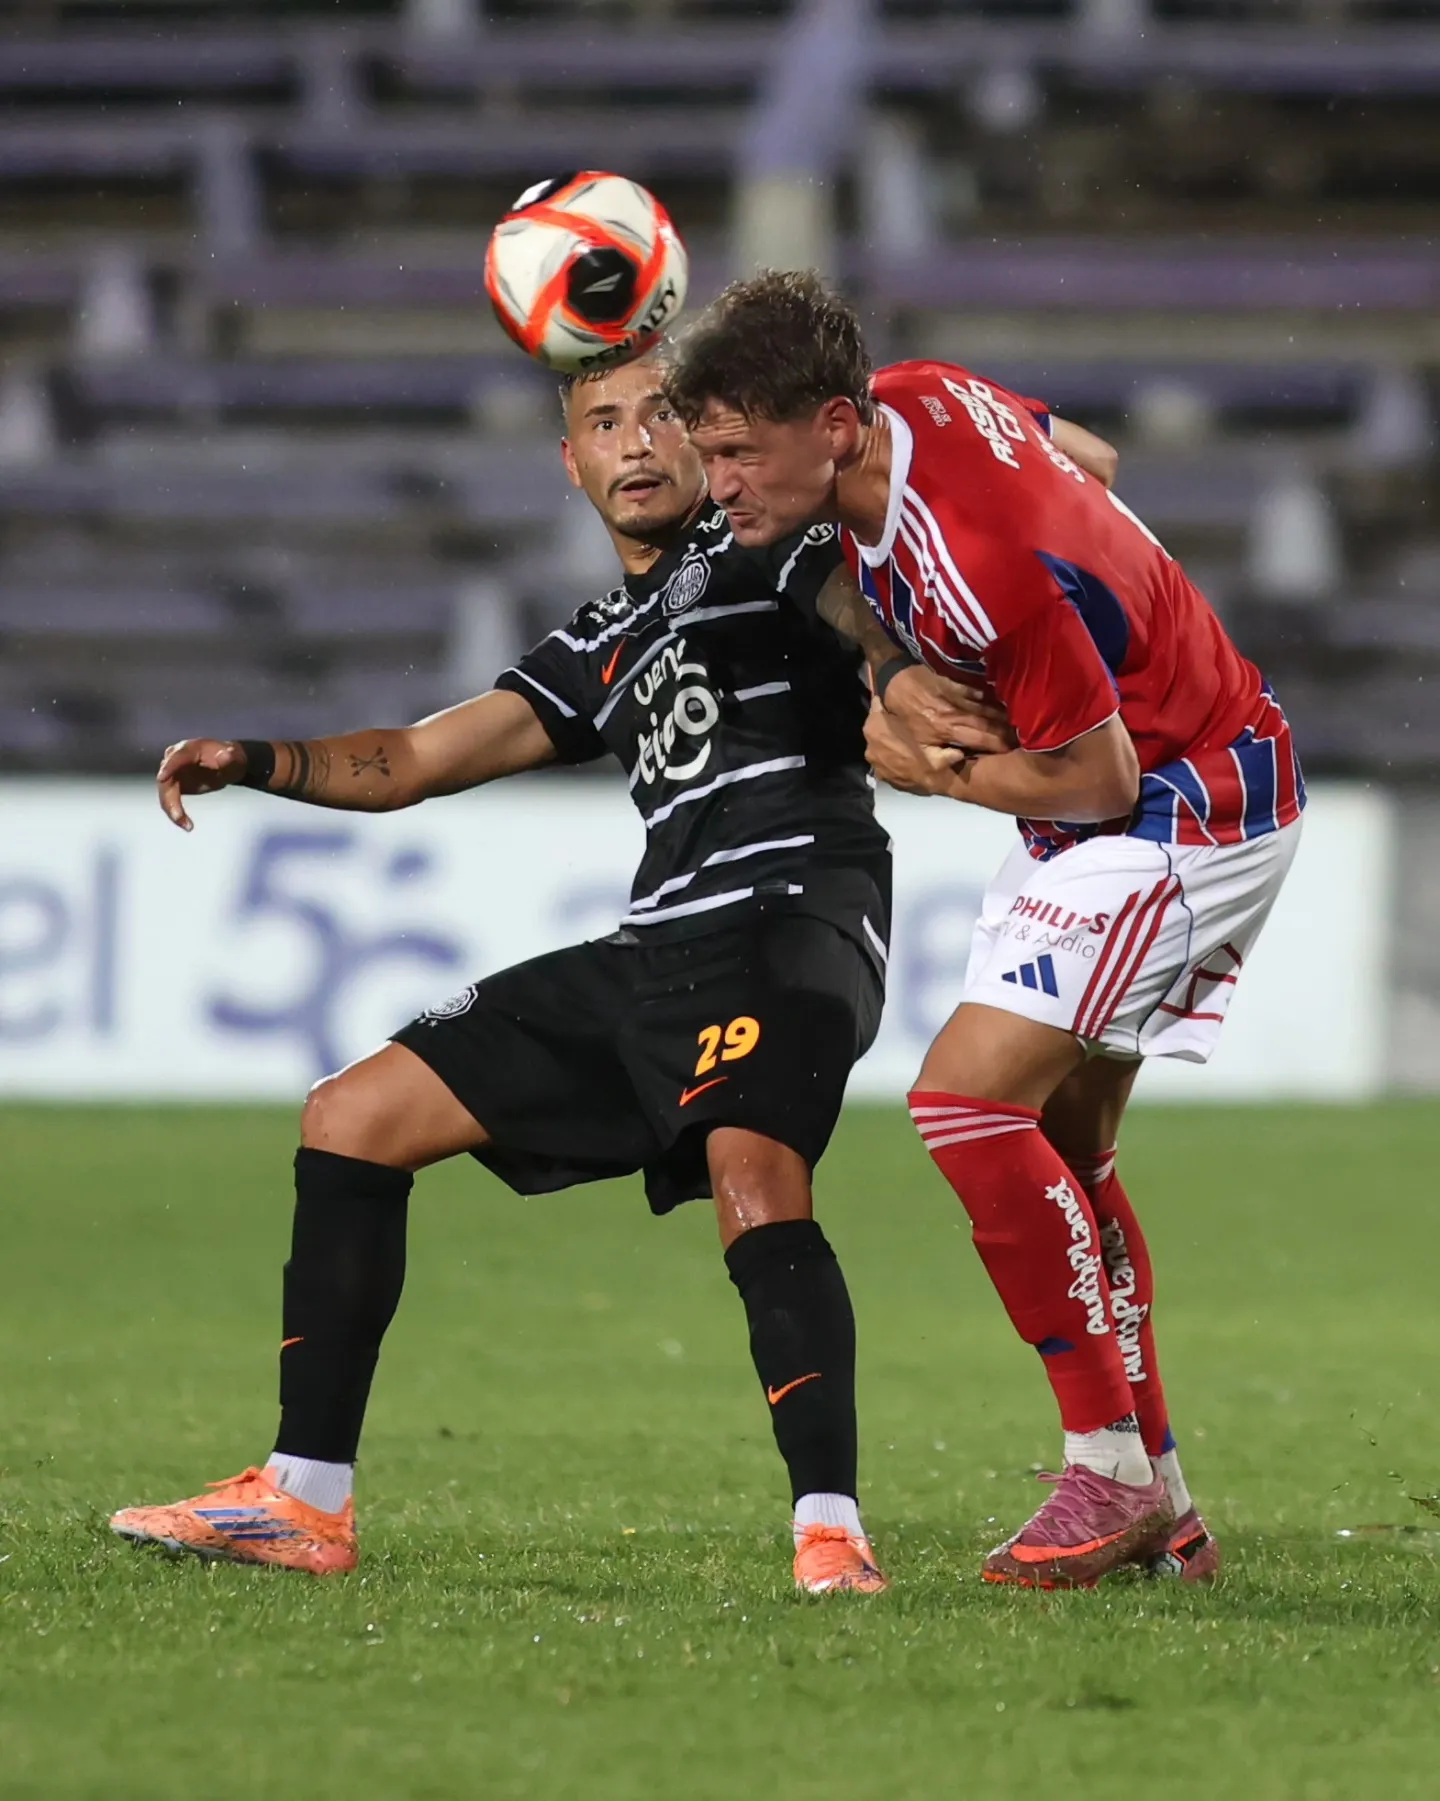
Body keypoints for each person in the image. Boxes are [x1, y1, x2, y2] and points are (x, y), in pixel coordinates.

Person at [109, 351, 1008, 1593]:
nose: (636, 442)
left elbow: (846, 595)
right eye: (604, 422)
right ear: (572, 461)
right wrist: (256, 759)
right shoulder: (600, 640)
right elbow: (414, 760)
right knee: (352, 1115)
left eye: (662, 415)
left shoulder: (762, 542)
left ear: (706, 436)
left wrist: (897, 673)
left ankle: (830, 1530)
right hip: (658, 943)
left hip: (791, 919)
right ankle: (302, 1499)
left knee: (752, 1169)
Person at [666, 272, 1306, 1589]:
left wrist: (932, 770)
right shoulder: (920, 395)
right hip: (1145, 781)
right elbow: (1092, 458)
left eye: (737, 452)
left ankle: (1111, 1471)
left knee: (965, 1101)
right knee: (1065, 1144)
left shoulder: (982, 555)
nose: (716, 483)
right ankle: (1167, 1510)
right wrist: (920, 665)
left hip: (1182, 805)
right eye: (709, 452)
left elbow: (1095, 778)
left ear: (831, 427)